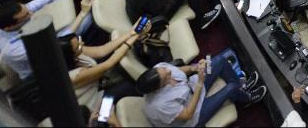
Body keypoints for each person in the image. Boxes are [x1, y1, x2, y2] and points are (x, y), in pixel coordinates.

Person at [0, 0, 93, 79]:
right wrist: (83, 13)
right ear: (10, 27)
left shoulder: (17, 15)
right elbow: (59, 43)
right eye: (26, 15)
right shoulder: (14, 50)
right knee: (87, 20)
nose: (30, 13)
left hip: (45, 44)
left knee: (86, 18)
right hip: (40, 72)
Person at [137, 49, 266, 126]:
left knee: (219, 60)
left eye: (165, 69)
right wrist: (199, 83)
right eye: (167, 76)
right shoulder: (160, 106)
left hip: (192, 86)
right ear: (158, 87)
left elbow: (179, 69)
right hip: (194, 115)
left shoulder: (160, 68)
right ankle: (247, 98)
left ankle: (241, 88)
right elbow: (188, 114)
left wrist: (195, 67)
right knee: (230, 88)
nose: (169, 72)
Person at [58, 30, 140, 107]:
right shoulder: (74, 76)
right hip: (96, 99)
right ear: (70, 56)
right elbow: (109, 63)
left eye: (79, 40)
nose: (82, 43)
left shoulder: (76, 50)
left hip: (100, 81)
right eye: (78, 47)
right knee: (130, 85)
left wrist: (130, 33)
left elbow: (102, 50)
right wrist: (133, 39)